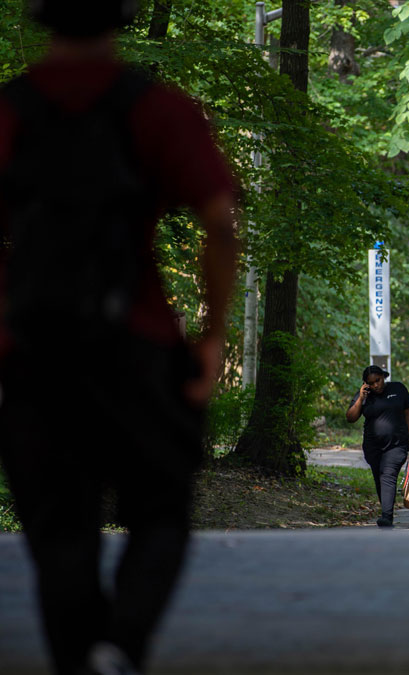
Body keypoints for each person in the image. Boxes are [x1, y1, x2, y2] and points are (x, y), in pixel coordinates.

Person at [0, 3, 239, 673]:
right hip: (136, 345)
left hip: (34, 350)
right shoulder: (157, 108)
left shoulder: (10, 112)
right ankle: (122, 644)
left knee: (59, 530)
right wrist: (213, 333)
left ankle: (83, 659)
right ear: (120, 18)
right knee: (162, 510)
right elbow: (219, 220)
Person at [346, 365, 409, 527]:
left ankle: (386, 516)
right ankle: (387, 512)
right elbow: (350, 418)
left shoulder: (398, 389)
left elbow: (408, 412)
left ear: (383, 377)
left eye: (377, 381)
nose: (376, 385)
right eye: (371, 383)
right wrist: (360, 399)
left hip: (397, 444)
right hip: (373, 447)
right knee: (380, 478)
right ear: (365, 384)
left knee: (387, 474)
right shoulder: (363, 396)